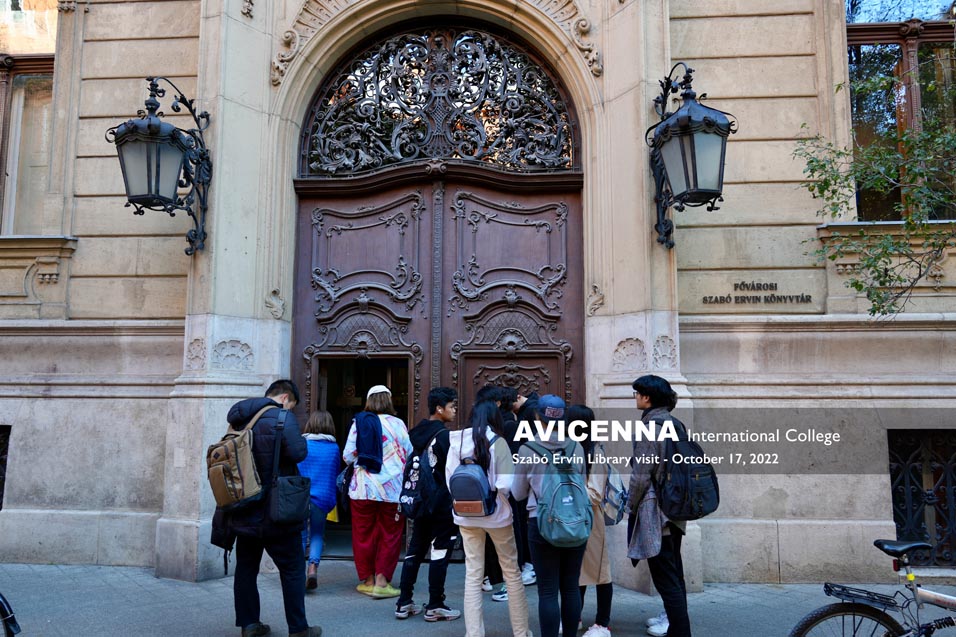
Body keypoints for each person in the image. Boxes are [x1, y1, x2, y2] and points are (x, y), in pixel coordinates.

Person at [225, 379, 322, 637]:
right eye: (292, 405)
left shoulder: (240, 418)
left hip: (244, 506)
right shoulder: (282, 417)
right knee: (292, 569)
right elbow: (299, 453)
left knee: (246, 568)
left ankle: (249, 625)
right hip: (276, 509)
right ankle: (299, 629)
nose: (290, 409)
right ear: (285, 398)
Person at [446, 400, 531, 637]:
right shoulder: (498, 442)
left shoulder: (457, 441)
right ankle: (521, 632)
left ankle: (474, 633)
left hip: (465, 515)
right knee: (511, 573)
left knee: (473, 575)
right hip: (497, 516)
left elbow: (450, 482)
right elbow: (504, 485)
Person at [512, 395, 588, 637]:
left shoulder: (528, 449)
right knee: (571, 587)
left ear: (537, 417)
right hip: (576, 523)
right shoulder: (576, 446)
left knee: (547, 590)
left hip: (541, 523)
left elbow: (518, 493)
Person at [628, 375, 691, 637]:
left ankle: (680, 632)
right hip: (676, 507)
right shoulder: (675, 423)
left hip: (657, 512)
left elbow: (641, 475)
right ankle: (676, 627)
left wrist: (631, 505)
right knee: (674, 573)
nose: (635, 397)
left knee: (665, 577)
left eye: (637, 393)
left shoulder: (650, 427)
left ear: (647, 397)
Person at [395, 387, 462, 622]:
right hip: (441, 502)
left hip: (420, 500)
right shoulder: (444, 437)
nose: (455, 410)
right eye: (452, 406)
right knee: (440, 552)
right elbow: (452, 471)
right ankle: (435, 604)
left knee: (415, 550)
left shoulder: (416, 434)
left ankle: (404, 601)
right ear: (439, 409)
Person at [343, 385, 413, 599]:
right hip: (392, 490)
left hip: (363, 488)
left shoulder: (359, 422)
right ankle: (382, 582)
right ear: (389, 401)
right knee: (390, 534)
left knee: (363, 534)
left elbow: (348, 455)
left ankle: (368, 581)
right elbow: (409, 453)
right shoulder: (398, 424)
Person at [567, 404, 614, 637]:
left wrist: (568, 488)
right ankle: (574, 616)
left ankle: (603, 623)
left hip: (591, 520)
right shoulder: (568, 449)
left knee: (600, 572)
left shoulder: (596, 452)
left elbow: (595, 494)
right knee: (576, 572)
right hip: (570, 519)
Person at [297, 410, 340, 591]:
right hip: (322, 498)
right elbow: (334, 474)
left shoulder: (302, 445)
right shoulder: (334, 448)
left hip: (301, 496)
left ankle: (298, 574)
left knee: (300, 535)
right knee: (317, 534)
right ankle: (313, 568)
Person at [500, 387, 535, 587]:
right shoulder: (520, 417)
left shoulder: (526, 415)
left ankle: (527, 565)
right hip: (525, 483)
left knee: (522, 522)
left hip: (524, 484)